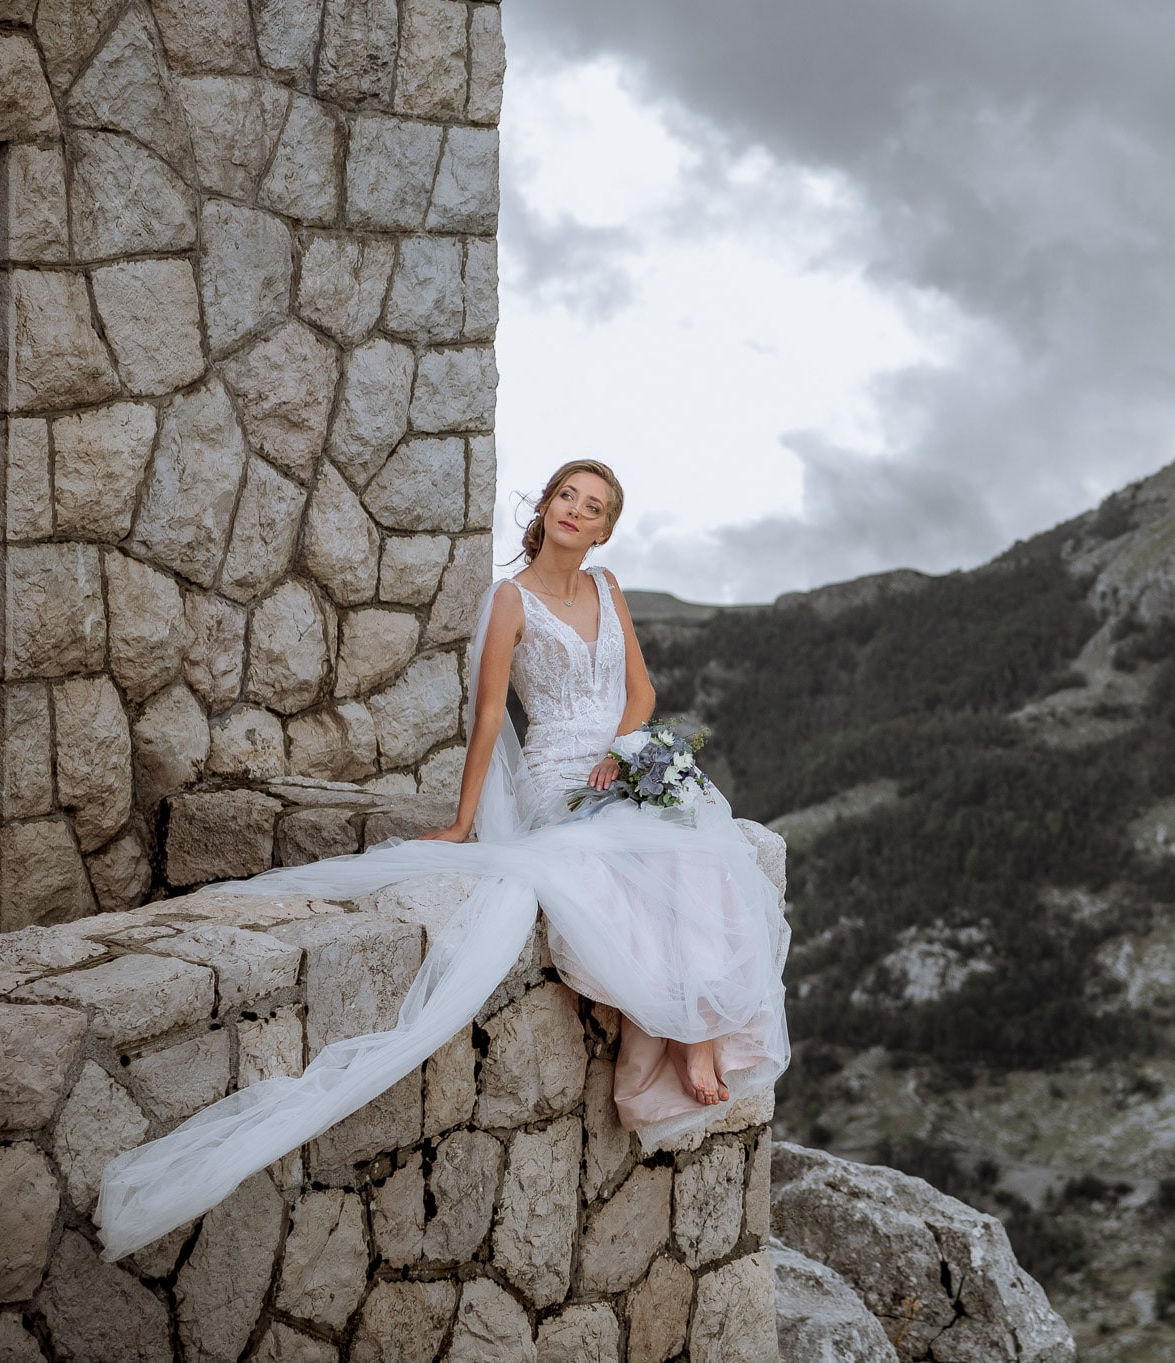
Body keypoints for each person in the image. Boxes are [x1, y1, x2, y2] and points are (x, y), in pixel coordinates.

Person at [94, 461, 789, 1260]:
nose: (575, 510)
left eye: (593, 506)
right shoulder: (511, 600)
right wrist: (466, 820)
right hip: (560, 777)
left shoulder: (607, 586)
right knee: (635, 852)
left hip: (615, 762)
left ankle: (691, 1025)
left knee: (693, 838)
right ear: (549, 507)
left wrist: (626, 752)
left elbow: (641, 691)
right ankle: (692, 1027)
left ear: (604, 529)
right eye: (567, 494)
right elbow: (491, 713)